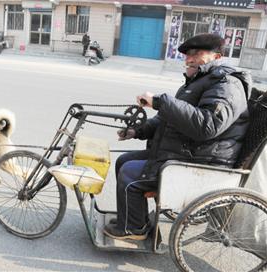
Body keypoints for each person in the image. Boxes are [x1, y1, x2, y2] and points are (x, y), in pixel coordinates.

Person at [104, 33, 252, 241]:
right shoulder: (199, 81)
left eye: (196, 54)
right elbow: (170, 117)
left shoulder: (227, 84)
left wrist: (162, 101)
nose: (189, 59)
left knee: (130, 173)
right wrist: (138, 131)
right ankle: (136, 219)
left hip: (204, 160)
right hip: (187, 151)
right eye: (186, 55)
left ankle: (133, 229)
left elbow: (207, 126)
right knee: (124, 160)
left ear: (217, 57)